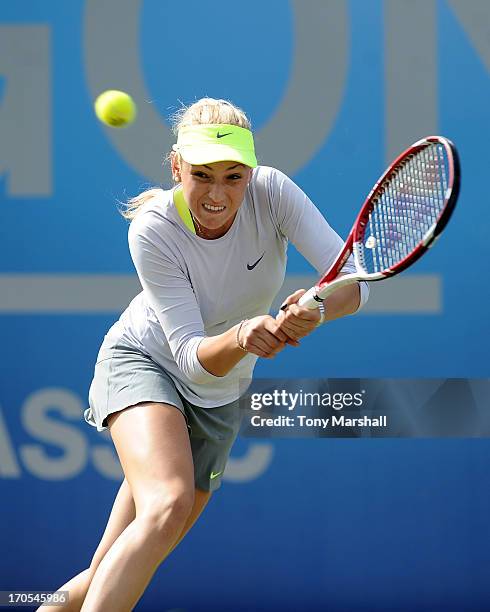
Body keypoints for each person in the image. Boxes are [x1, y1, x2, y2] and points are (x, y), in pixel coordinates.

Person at [40, 97, 368, 612]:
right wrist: (242, 336)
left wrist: (319, 311)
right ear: (176, 167)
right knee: (166, 505)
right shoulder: (152, 229)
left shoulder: (274, 192)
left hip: (221, 395)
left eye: (234, 177)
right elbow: (192, 357)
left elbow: (352, 283)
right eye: (202, 175)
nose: (218, 193)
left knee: (112, 564)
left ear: (251, 174)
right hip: (145, 362)